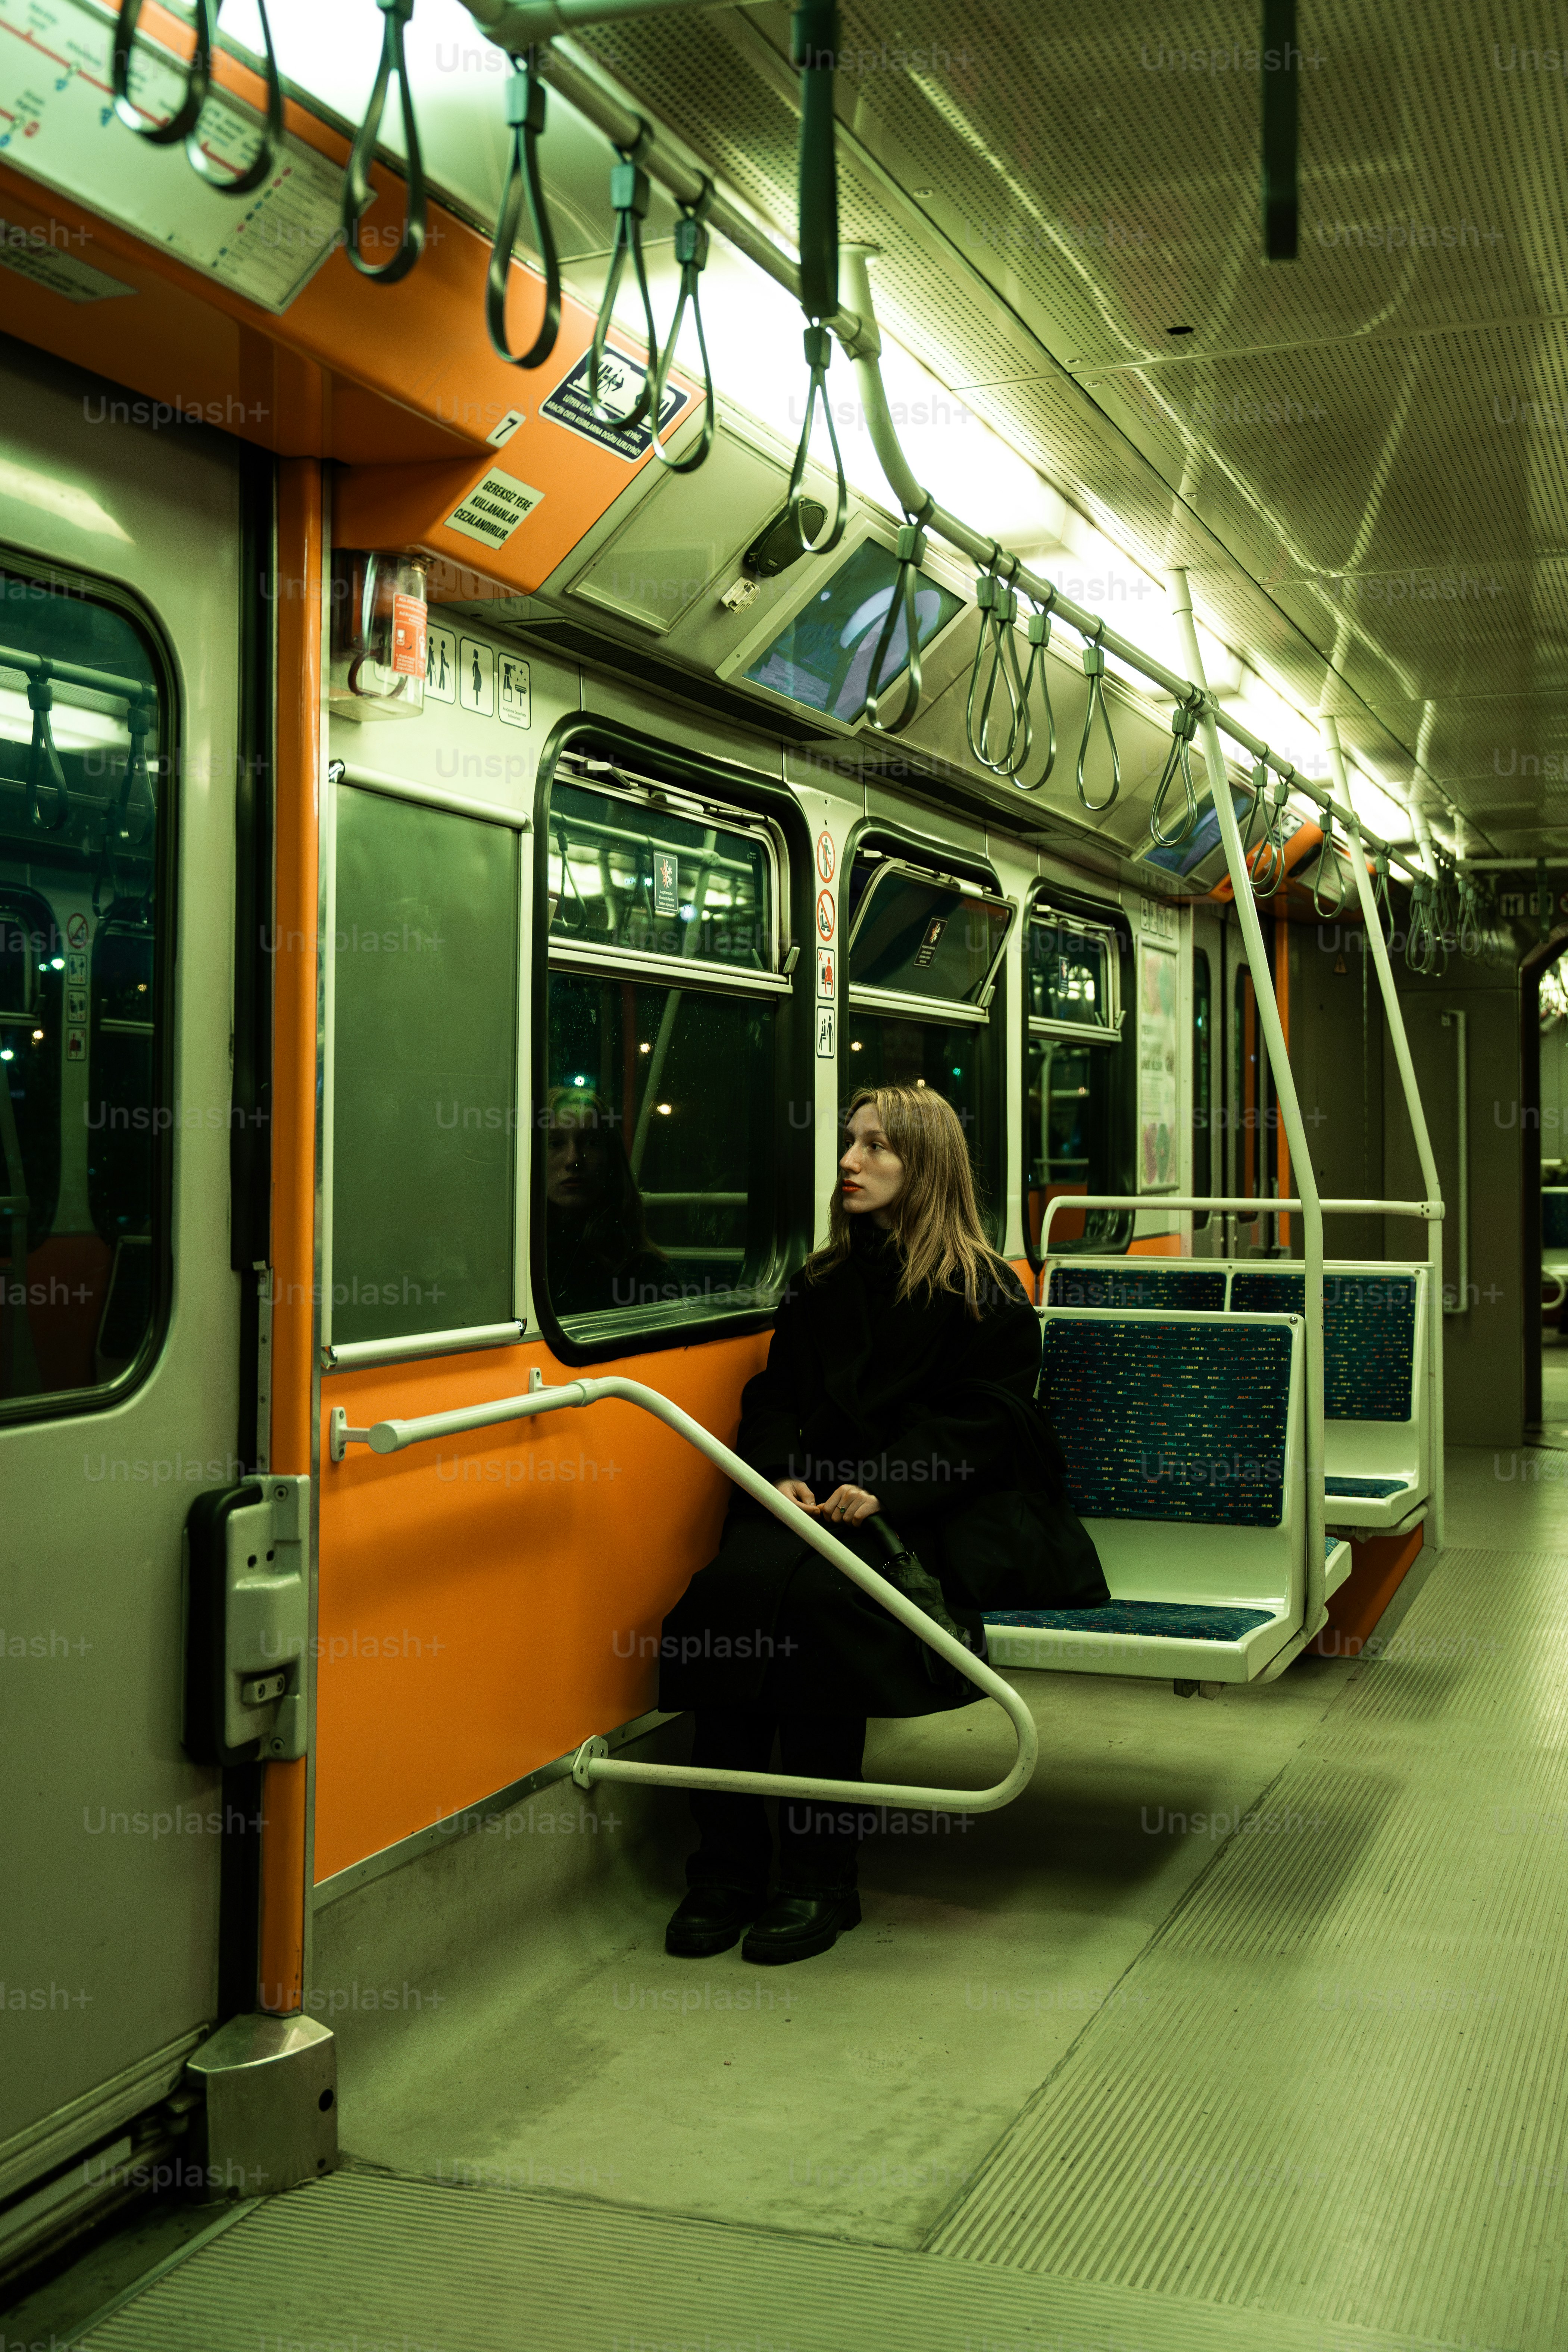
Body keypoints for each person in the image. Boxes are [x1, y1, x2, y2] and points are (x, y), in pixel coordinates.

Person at [658, 1083, 1108, 1967]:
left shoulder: (984, 1290)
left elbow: (989, 1422)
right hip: (813, 1500)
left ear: (924, 1166)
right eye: (849, 1144)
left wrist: (885, 1484)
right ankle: (726, 1864)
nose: (849, 1164)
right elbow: (777, 1393)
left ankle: (822, 1873)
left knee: (823, 1613)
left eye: (874, 1148)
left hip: (923, 1515)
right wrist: (781, 1470)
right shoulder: (822, 1282)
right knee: (728, 1596)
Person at [543, 1087, 667, 1317]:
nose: (573, 1160)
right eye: (555, 1143)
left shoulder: (644, 1273)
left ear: (612, 1158)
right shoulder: (510, 1262)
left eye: (591, 1142)